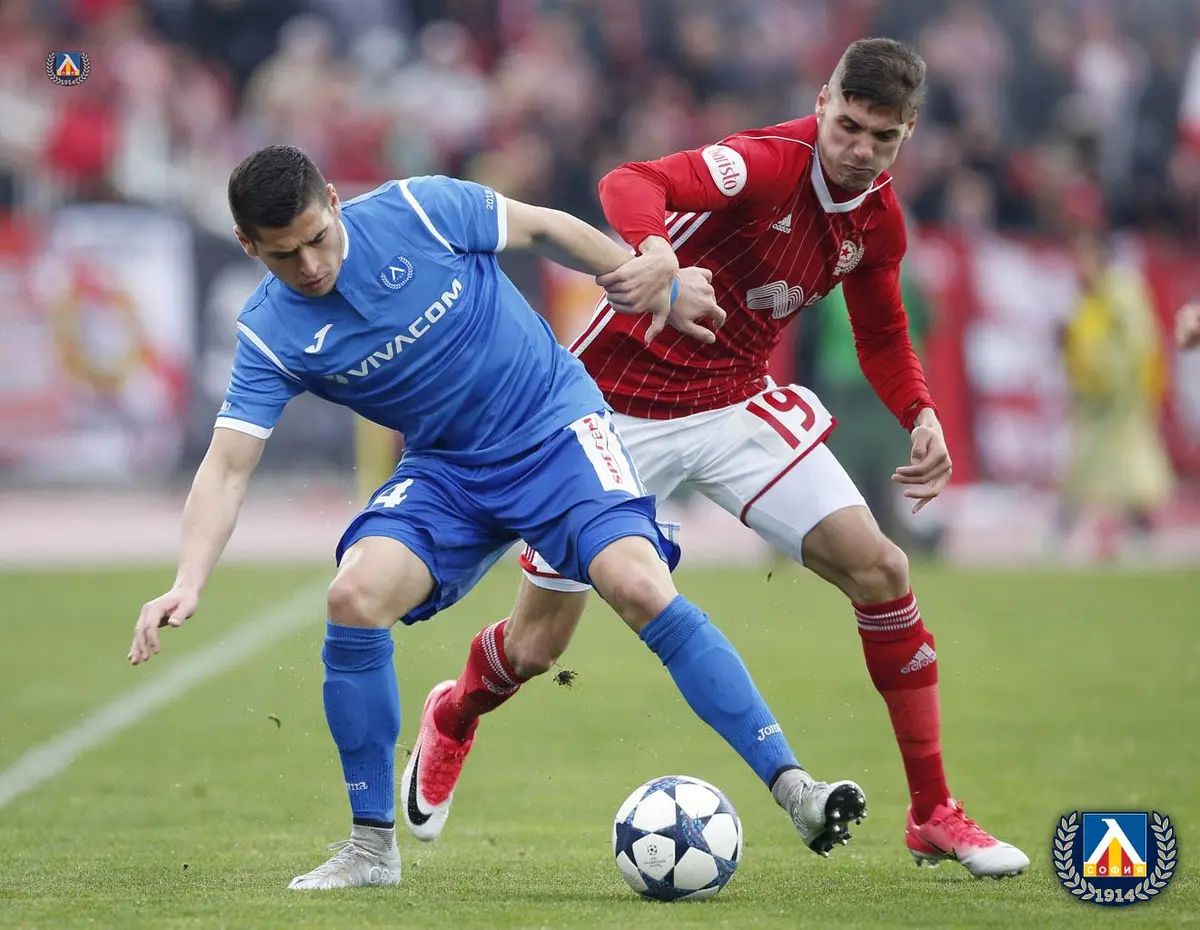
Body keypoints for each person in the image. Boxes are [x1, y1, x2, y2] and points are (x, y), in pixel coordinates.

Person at [127, 144, 865, 891]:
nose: (311, 265)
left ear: (335, 203)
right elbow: (226, 467)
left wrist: (654, 282)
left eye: (318, 238)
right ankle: (372, 850)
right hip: (447, 471)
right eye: (284, 255)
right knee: (353, 596)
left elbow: (542, 228)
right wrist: (188, 579)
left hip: (556, 430)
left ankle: (796, 790)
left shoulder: (418, 209)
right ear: (248, 246)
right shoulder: (269, 333)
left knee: (637, 588)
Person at [407, 38, 1030, 879]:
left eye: (883, 137)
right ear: (822, 104)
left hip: (734, 405)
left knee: (883, 569)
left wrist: (921, 411)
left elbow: (882, 331)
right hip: (609, 415)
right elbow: (630, 182)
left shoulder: (878, 219)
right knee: (535, 649)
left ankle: (933, 814)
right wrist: (656, 252)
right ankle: (454, 714)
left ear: (908, 133)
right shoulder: (765, 165)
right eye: (848, 126)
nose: (859, 150)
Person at [1059, 230, 1175, 554]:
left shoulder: (1122, 293)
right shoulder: (1091, 296)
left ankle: (1062, 528)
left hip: (1122, 398)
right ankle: (1141, 531)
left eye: (1082, 258)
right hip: (1099, 397)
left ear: (1098, 257)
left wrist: (1098, 366)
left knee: (1104, 464)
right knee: (1111, 465)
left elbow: (1135, 346)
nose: (1077, 266)